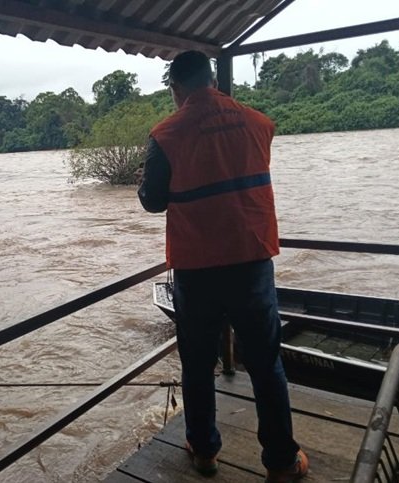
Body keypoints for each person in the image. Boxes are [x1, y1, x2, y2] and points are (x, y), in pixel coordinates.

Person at [137, 50, 308, 482]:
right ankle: (281, 463)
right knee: (266, 363)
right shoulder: (258, 123)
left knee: (197, 364)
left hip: (197, 268)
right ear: (212, 80)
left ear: (176, 88)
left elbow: (152, 201)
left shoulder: (166, 134)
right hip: (251, 261)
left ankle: (204, 452)